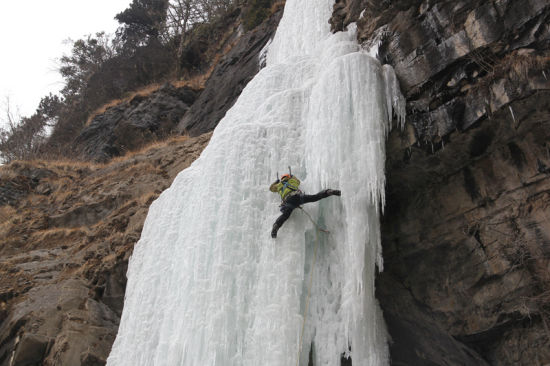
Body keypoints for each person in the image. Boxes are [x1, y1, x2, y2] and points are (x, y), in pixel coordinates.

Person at [269, 173, 341, 238]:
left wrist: (276, 182)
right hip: (297, 197)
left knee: (285, 215)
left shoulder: (279, 186)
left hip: (289, 201)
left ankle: (276, 226)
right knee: (315, 197)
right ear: (288, 177)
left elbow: (271, 188)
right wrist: (292, 176)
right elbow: (298, 181)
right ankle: (329, 192)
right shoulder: (292, 181)